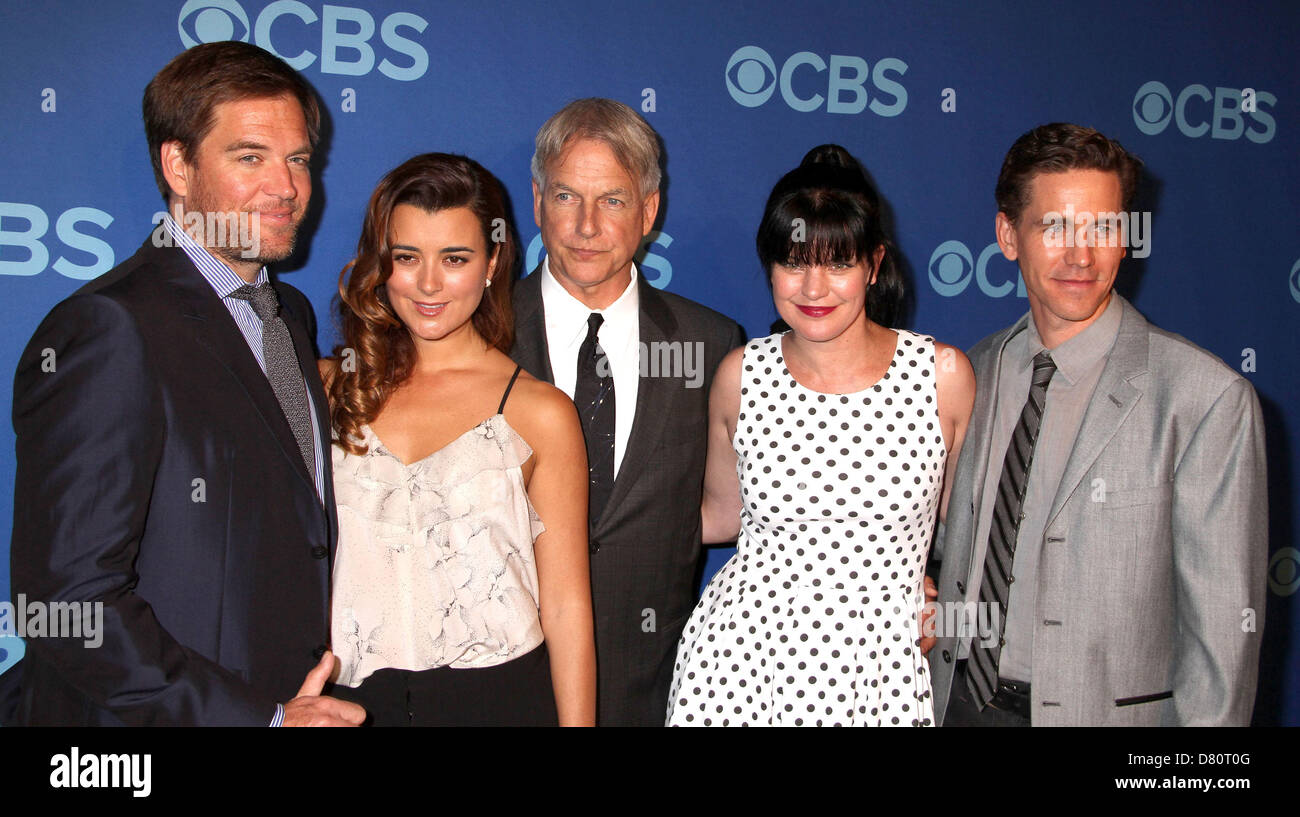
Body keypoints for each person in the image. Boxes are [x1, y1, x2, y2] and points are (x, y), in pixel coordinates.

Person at [8, 41, 363, 726]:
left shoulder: (285, 314)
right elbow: (70, 604)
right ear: (178, 164)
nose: (286, 187)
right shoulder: (109, 328)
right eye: (250, 157)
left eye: (298, 160)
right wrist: (261, 718)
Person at [927, 123, 1267, 726]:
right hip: (953, 705)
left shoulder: (1205, 398)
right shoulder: (966, 374)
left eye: (1103, 228)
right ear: (1008, 235)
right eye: (1055, 226)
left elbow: (1223, 640)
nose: (1081, 255)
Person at [667, 145, 976, 726]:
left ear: (874, 265)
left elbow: (965, 533)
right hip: (738, 668)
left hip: (882, 671)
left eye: (837, 263)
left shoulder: (942, 376)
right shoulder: (740, 374)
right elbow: (719, 515)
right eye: (793, 262)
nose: (813, 288)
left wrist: (948, 608)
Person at [321, 153, 595, 726]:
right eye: (406, 257)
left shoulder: (541, 412)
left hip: (498, 702)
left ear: (493, 262)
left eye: (454, 258)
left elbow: (567, 607)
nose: (427, 283)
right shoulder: (331, 387)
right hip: (347, 704)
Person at [511, 98, 745, 726]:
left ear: (648, 211)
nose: (587, 226)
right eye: (566, 197)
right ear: (536, 202)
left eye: (611, 200)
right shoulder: (480, 335)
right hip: (502, 683)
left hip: (654, 686)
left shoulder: (711, 346)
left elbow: (767, 506)